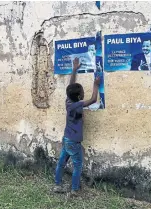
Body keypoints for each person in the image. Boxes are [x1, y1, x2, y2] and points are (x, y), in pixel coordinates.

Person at [52, 57, 100, 198]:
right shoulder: (78, 105)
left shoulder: (68, 102)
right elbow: (93, 100)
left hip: (67, 138)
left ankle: (57, 184)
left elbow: (71, 86)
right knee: (77, 165)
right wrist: (96, 85)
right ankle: (74, 189)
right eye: (82, 92)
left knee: (62, 162)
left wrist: (74, 69)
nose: (83, 93)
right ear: (79, 96)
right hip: (74, 141)